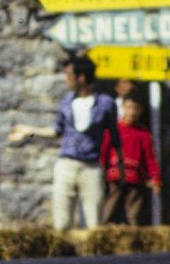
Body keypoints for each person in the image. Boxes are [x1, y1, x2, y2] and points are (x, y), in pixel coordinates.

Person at [10, 55, 122, 231]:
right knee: (62, 222)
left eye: (69, 75)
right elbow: (57, 130)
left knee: (94, 223)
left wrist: (118, 166)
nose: (66, 80)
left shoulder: (106, 104)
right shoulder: (67, 101)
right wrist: (29, 131)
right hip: (67, 164)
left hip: (91, 167)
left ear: (82, 77)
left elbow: (115, 137)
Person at [101, 94, 160, 226]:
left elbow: (150, 158)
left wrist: (155, 178)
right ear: (121, 108)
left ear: (140, 111)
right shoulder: (112, 129)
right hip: (115, 176)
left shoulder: (143, 133)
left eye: (135, 108)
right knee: (109, 208)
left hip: (136, 179)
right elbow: (103, 153)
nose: (131, 112)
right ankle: (102, 233)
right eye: (128, 107)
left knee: (133, 213)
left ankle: (133, 238)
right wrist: (101, 171)